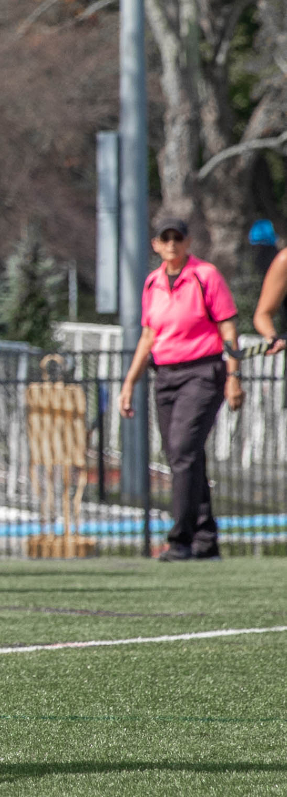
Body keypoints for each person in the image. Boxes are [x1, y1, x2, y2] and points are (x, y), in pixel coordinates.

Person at [122, 217, 244, 561]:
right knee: (185, 457)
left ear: (188, 242)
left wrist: (234, 376)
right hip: (166, 377)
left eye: (178, 238)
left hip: (203, 372)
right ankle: (205, 541)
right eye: (166, 238)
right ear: (156, 245)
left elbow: (228, 329)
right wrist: (129, 383)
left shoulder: (205, 276)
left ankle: (180, 539)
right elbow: (148, 337)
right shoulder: (152, 283)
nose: (172, 244)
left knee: (182, 451)